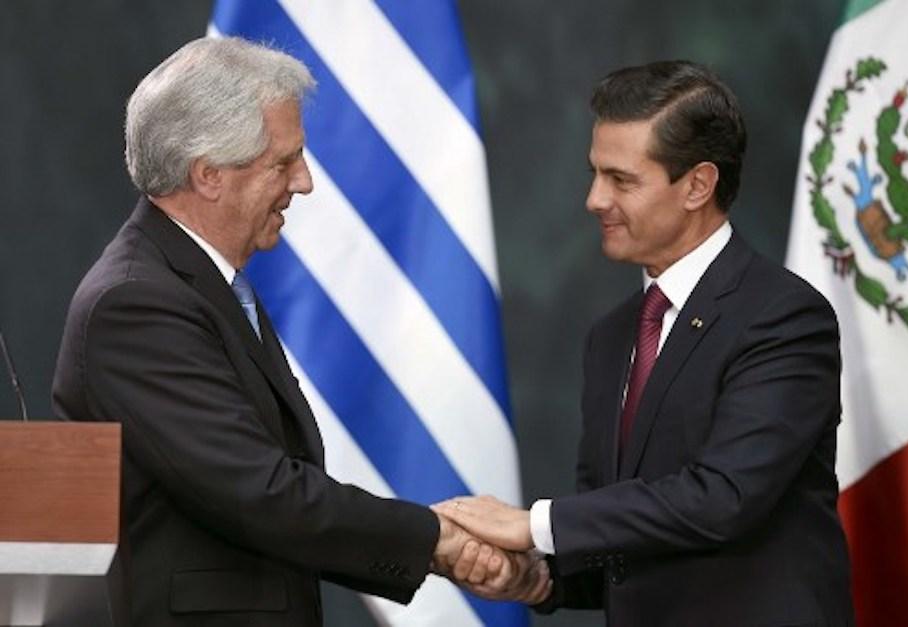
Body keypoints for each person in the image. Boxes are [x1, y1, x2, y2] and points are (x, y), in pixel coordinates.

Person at [53, 37, 547, 627]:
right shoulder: (135, 302)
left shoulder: (201, 284)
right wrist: (437, 540)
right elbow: (258, 492)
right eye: (283, 162)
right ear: (209, 174)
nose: (305, 181)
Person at [437, 61, 854, 626]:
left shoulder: (783, 317)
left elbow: (723, 498)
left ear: (698, 186)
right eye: (595, 173)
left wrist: (533, 523)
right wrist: (536, 576)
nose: (594, 199)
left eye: (622, 180)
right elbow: (619, 536)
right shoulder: (611, 337)